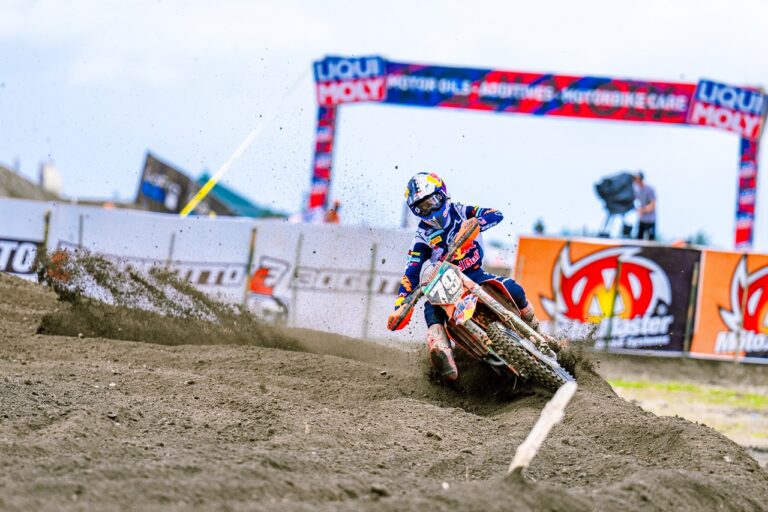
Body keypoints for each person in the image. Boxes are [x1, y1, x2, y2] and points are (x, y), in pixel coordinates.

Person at [387, 172, 542, 381]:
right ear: (416, 211)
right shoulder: (421, 237)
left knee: (514, 288)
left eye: (432, 202)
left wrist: (473, 225)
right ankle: (441, 350)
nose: (430, 210)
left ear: (442, 195)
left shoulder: (461, 211)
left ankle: (538, 332)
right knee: (431, 307)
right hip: (446, 283)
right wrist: (400, 306)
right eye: (423, 207)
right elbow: (410, 273)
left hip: (475, 273)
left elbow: (495, 214)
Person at [634, 172, 656, 240]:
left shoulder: (649, 189)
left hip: (650, 220)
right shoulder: (638, 190)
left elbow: (653, 204)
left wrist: (643, 210)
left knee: (650, 240)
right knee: (639, 239)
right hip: (642, 220)